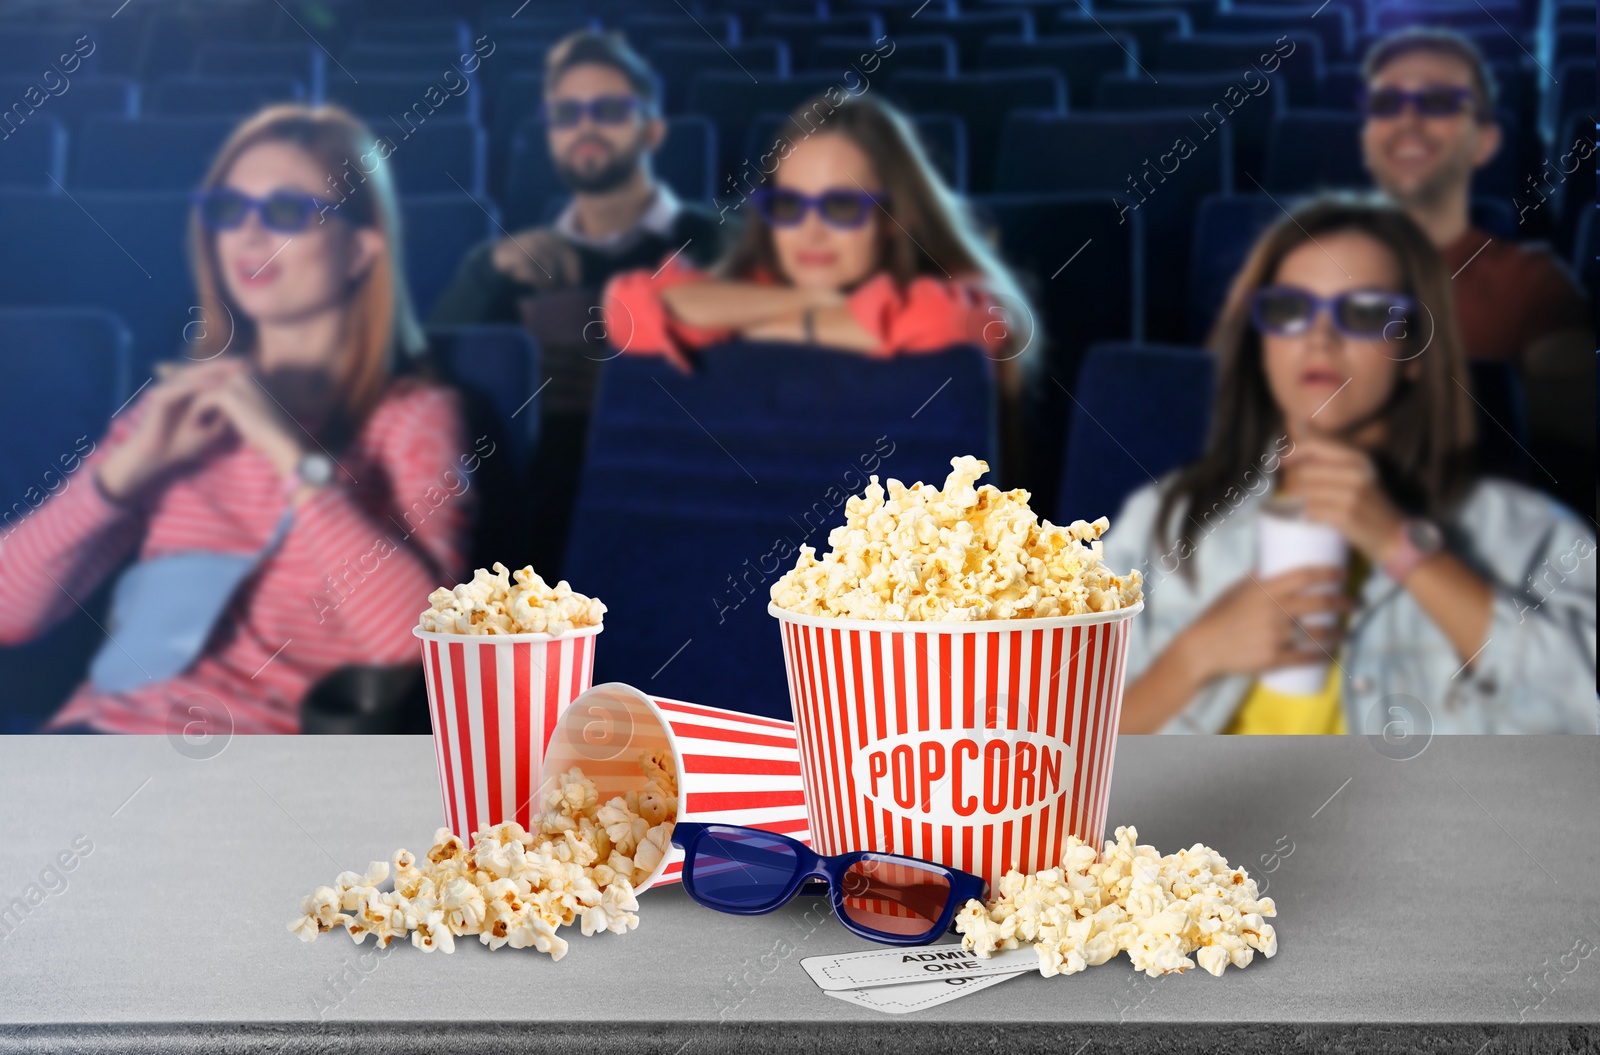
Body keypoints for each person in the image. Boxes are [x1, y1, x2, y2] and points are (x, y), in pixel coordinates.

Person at [0, 105, 474, 734]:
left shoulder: (415, 418)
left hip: (254, 776)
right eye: (229, 211)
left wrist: (289, 455)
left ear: (361, 249)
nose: (249, 235)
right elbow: (11, 611)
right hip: (93, 746)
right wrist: (127, 472)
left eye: (285, 212)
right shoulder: (180, 406)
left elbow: (420, 646)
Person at [1102, 197, 1595, 735]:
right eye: (1289, 310)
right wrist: (1191, 660)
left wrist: (1403, 547)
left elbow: (1583, 726)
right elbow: (1055, 768)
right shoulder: (1163, 520)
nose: (1319, 337)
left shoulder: (1525, 535)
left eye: (1363, 313)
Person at [601, 95, 1034, 475]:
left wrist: (776, 327)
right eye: (789, 206)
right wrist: (812, 301)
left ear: (894, 218)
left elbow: (955, 323)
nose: (811, 233)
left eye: (841, 207)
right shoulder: (765, 285)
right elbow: (629, 309)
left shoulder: (962, 290)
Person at [431, 30, 729, 573]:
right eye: (566, 114)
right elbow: (432, 382)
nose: (585, 127)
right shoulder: (505, 265)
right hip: (537, 533)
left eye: (610, 109)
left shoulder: (718, 244)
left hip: (690, 508)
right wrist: (490, 276)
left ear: (653, 130)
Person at [1359, 27, 1594, 513]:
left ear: (1484, 143)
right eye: (1386, 105)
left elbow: (1581, 415)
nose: (1408, 121)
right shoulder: (1300, 271)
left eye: (1440, 103)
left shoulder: (1531, 282)